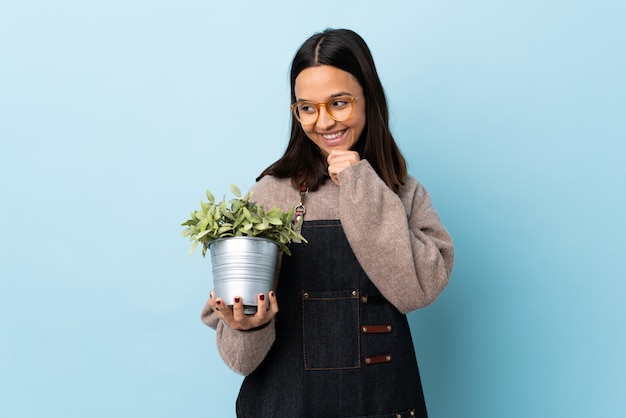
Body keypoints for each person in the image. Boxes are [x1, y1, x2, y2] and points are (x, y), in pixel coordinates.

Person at [201, 28, 454, 418]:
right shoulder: (267, 196)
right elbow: (240, 361)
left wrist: (360, 185)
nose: (323, 122)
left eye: (339, 103)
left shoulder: (404, 193)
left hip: (383, 405)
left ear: (369, 98)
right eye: (306, 107)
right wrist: (247, 326)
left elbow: (415, 292)